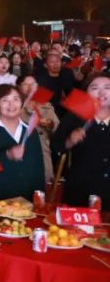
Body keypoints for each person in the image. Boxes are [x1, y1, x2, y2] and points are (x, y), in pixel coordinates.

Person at [51, 74, 110, 206]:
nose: (101, 93)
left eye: (107, 88)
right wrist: (70, 141)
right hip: (81, 189)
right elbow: (55, 147)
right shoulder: (73, 118)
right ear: (86, 93)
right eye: (95, 88)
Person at [0, 84, 46, 202]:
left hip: (27, 201)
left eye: (16, 99)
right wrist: (7, 155)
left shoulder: (31, 131)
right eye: (5, 100)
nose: (11, 105)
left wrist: (39, 198)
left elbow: (38, 168)